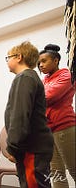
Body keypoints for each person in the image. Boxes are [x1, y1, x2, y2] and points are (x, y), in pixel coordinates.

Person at [4, 41, 54, 188]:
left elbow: (20, 116)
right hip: (36, 146)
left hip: (31, 148)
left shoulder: (24, 78)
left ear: (18, 57)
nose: (7, 61)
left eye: (8, 57)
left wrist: (13, 147)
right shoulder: (30, 77)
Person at [38, 44, 75, 188]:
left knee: (74, 169)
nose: (41, 65)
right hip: (49, 131)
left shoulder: (66, 75)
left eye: (44, 61)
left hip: (65, 128)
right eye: (39, 62)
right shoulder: (45, 80)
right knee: (56, 173)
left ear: (55, 61)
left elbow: (47, 97)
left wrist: (35, 97)